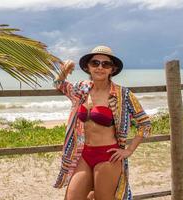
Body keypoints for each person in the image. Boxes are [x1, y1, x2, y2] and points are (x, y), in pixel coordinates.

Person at [53, 45, 152, 200]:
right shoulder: (81, 89)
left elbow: (145, 124)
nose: (100, 67)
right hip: (83, 154)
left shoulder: (122, 94)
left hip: (108, 156)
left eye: (106, 64)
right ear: (88, 67)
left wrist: (129, 150)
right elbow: (60, 84)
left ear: (112, 69)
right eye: (95, 63)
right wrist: (64, 72)